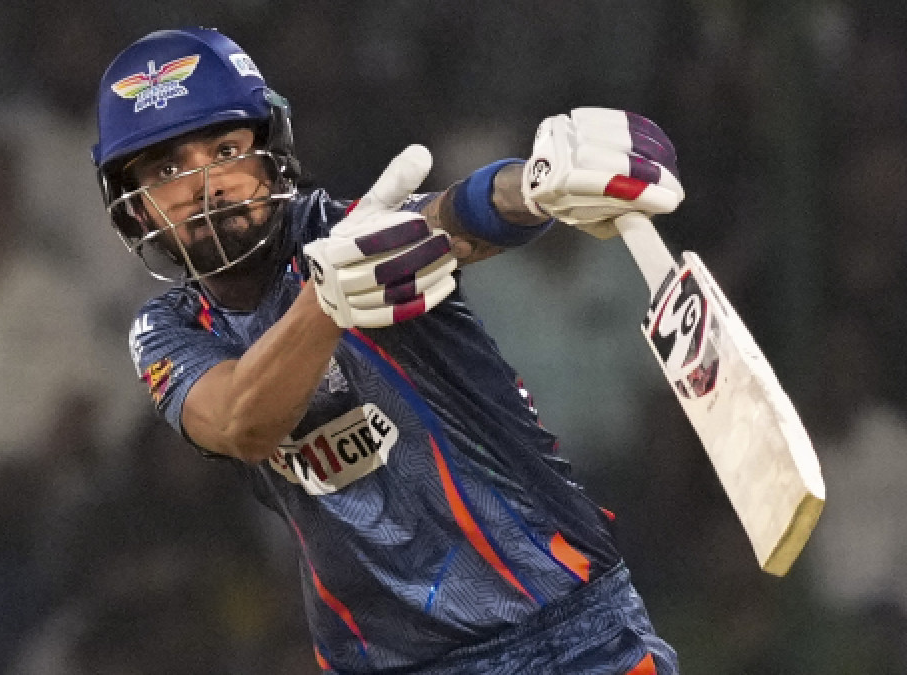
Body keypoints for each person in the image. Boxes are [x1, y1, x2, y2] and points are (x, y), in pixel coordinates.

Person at [91, 27, 685, 674]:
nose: (205, 184)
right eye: (167, 170)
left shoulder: (352, 229)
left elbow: (458, 216)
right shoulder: (167, 330)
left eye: (226, 150)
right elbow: (242, 422)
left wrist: (540, 183)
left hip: (566, 635)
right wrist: (328, 298)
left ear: (271, 154)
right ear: (136, 209)